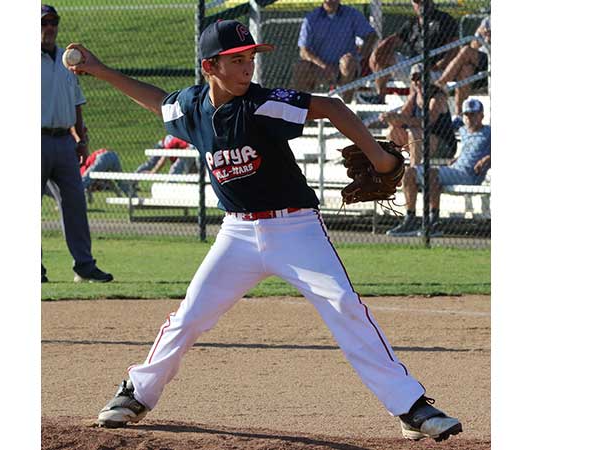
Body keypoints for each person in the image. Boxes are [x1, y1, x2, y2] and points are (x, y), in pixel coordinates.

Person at [64, 19, 462, 442]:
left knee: (345, 305)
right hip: (236, 234)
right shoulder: (193, 107)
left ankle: (410, 407)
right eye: (236, 60)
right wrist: (100, 69)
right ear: (209, 67)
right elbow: (159, 102)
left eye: (250, 57)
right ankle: (136, 393)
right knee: (189, 317)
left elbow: (331, 106)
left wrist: (380, 159)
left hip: (296, 229)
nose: (247, 66)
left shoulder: (262, 104)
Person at [40, 4, 113, 284]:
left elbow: (76, 102)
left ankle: (84, 265)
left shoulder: (66, 60)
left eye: (53, 22)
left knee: (75, 203)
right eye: (43, 23)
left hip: (64, 143)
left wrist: (81, 139)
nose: (49, 27)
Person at [386, 97, 490, 237]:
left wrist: (487, 159)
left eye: (473, 114)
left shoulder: (489, 132)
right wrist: (457, 159)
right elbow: (469, 150)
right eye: (467, 114)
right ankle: (410, 219)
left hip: (470, 175)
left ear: (482, 115)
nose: (470, 118)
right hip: (456, 170)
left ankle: (434, 222)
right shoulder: (464, 131)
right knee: (409, 173)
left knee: (432, 174)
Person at [367, 0, 458, 104]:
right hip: (412, 66)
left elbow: (454, 48)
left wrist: (441, 64)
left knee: (417, 69)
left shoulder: (445, 20)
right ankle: (380, 97)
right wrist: (377, 53)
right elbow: (394, 40)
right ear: (413, 4)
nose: (421, 4)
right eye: (417, 1)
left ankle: (414, 108)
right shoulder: (412, 23)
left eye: (424, 1)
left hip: (436, 71)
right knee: (382, 56)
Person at [290, 0, 378, 103]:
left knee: (348, 63)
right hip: (320, 68)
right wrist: (324, 67)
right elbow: (304, 51)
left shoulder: (351, 14)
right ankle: (298, 109)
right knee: (300, 67)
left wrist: (359, 56)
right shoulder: (311, 18)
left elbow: (371, 35)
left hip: (345, 68)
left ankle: (344, 109)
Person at [378, 63, 456, 165]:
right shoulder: (414, 96)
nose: (418, 82)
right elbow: (400, 120)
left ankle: (414, 169)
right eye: (413, 78)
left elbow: (426, 123)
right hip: (423, 142)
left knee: (415, 133)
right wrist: (389, 118)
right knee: (393, 131)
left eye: (420, 77)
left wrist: (399, 118)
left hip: (444, 145)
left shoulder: (437, 98)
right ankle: (394, 166)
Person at [435, 16, 490, 119]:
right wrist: (482, 38)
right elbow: (474, 45)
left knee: (465, 50)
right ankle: (459, 115)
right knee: (466, 69)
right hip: (481, 59)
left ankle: (441, 83)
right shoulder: (488, 21)